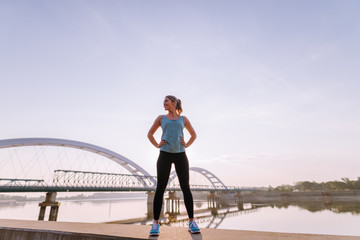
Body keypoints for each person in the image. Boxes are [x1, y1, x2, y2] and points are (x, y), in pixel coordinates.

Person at [147, 95, 201, 236]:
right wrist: (157, 144)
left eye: (166, 101)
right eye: (164, 101)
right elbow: (150, 134)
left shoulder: (183, 119)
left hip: (180, 155)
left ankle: (191, 222)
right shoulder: (161, 118)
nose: (164, 103)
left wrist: (186, 144)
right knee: (160, 188)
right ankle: (155, 224)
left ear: (174, 102)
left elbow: (194, 135)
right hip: (164, 154)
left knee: (185, 188)